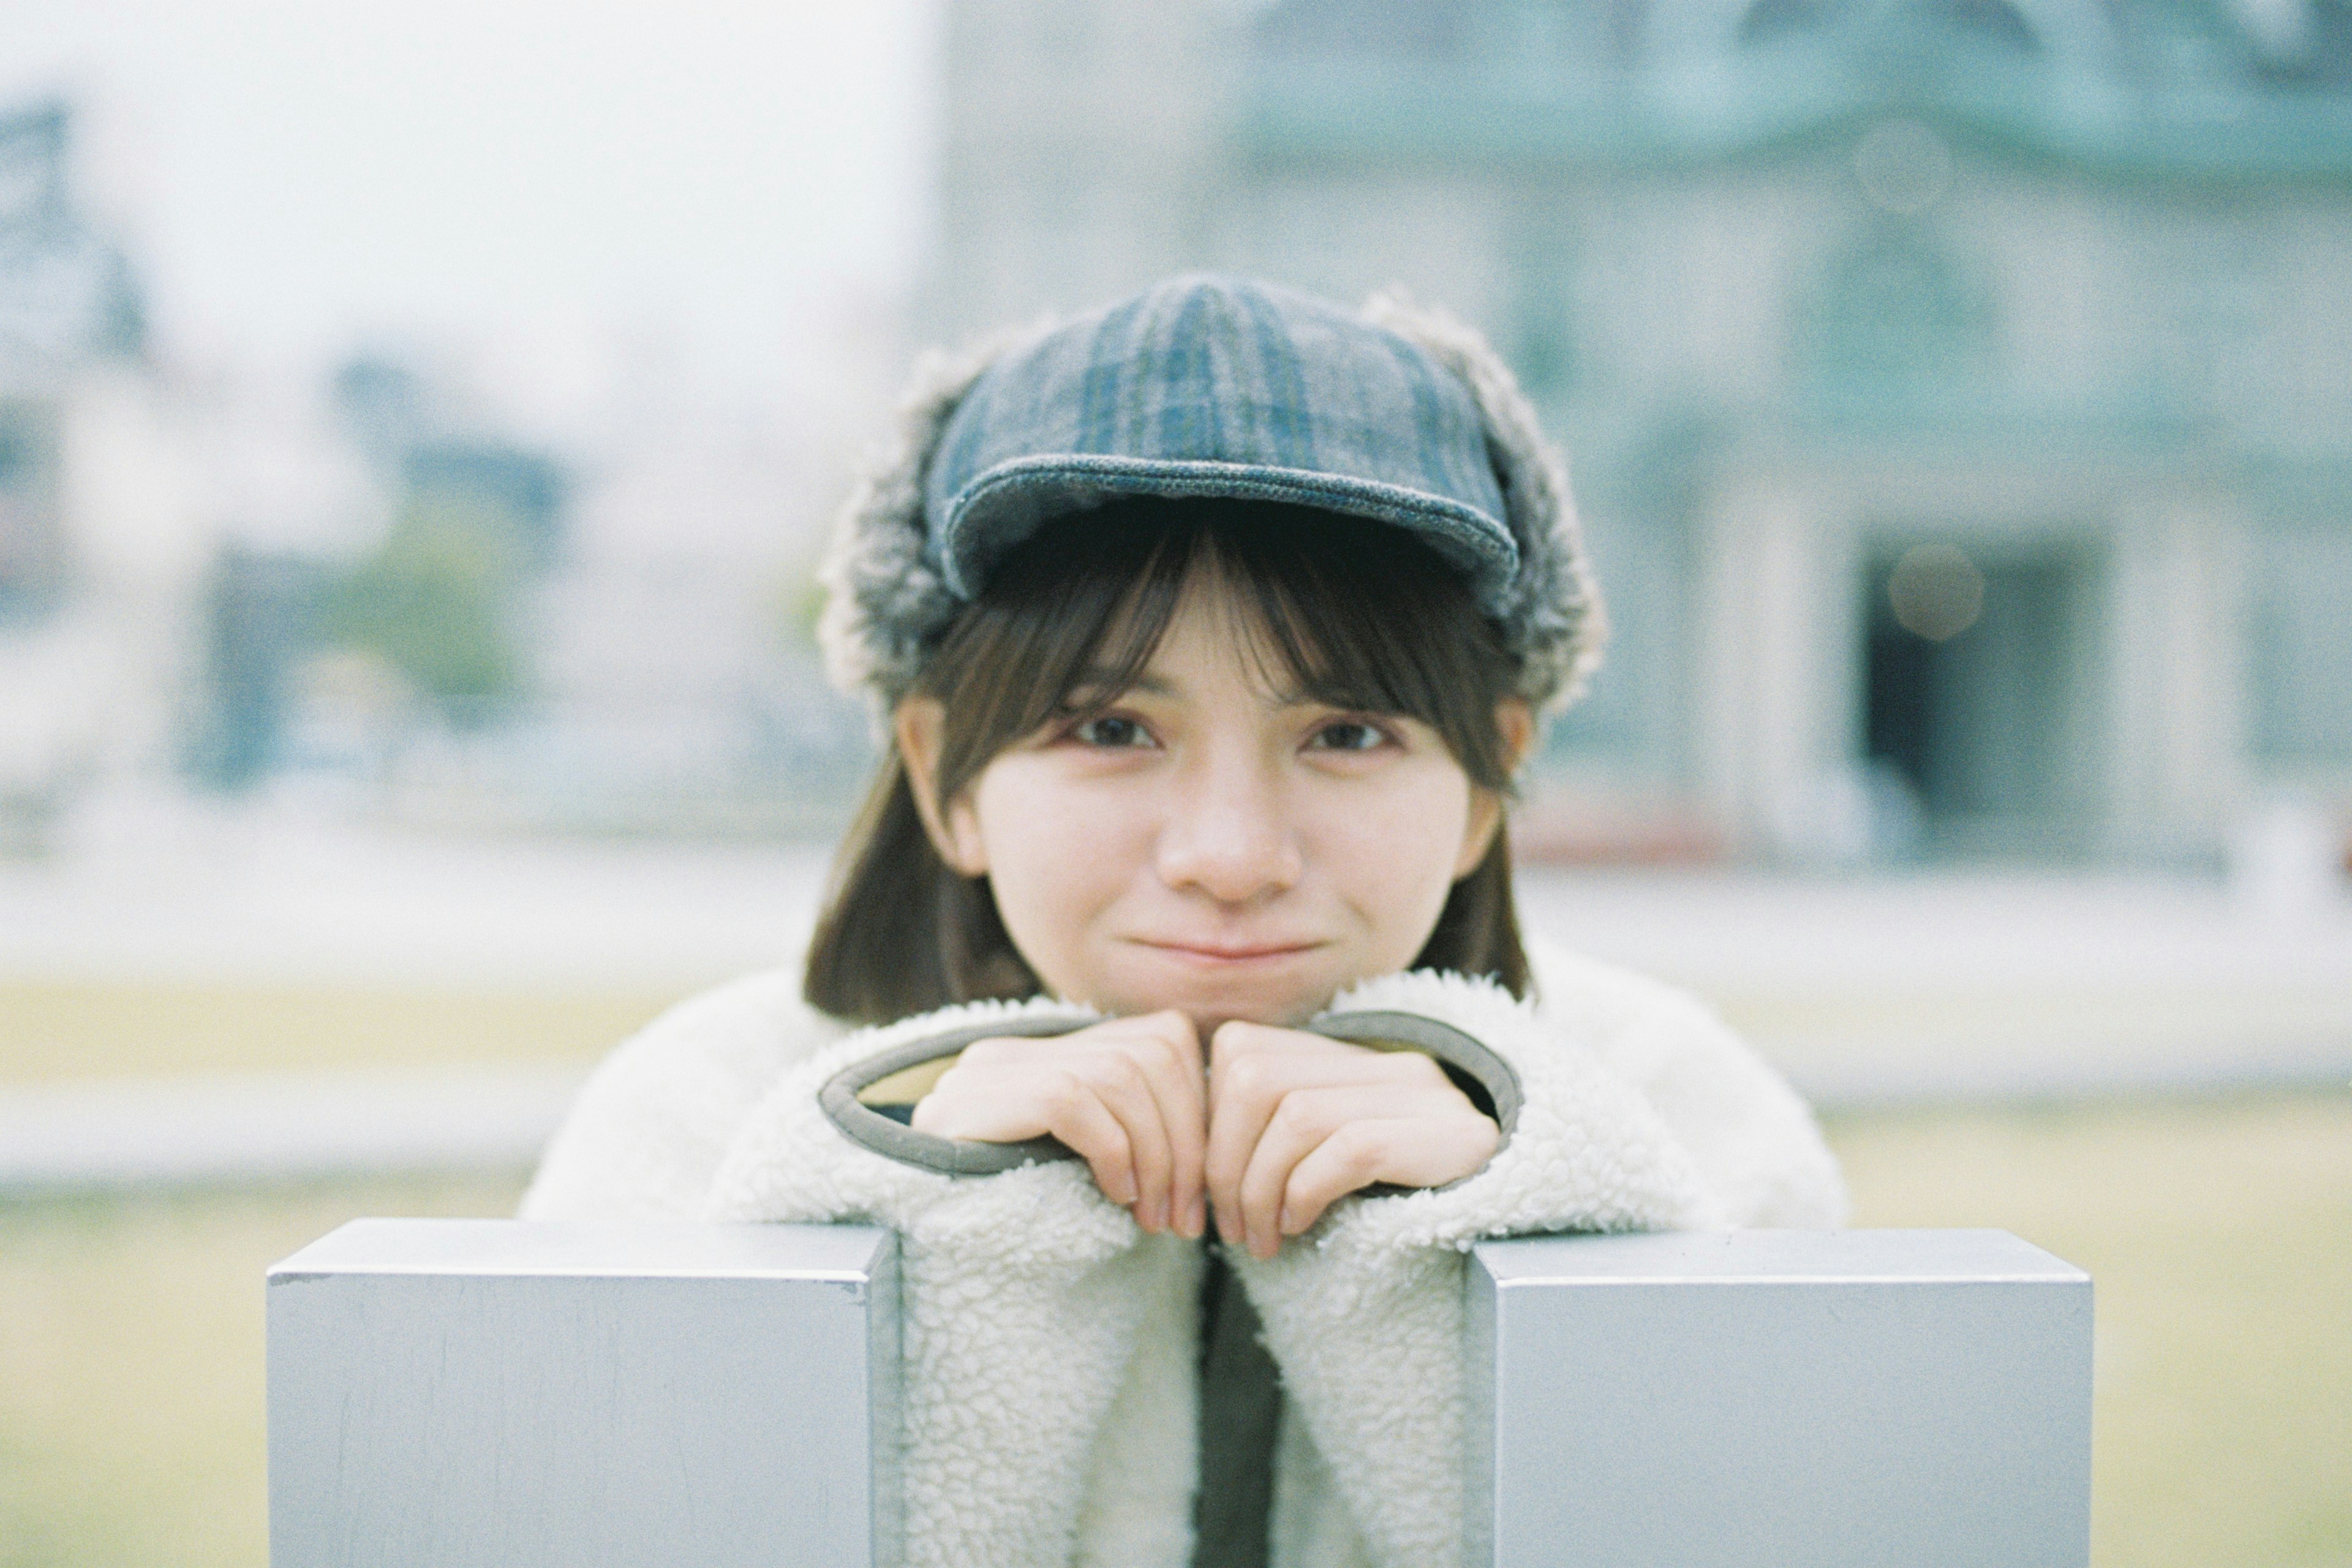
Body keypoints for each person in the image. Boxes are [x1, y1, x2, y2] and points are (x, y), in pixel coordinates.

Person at [521, 274, 1847, 1568]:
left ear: (1492, 775)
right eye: (1110, 727)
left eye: (1346, 730)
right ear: (942, 774)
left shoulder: (1683, 1115)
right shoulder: (698, 1121)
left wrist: (1524, 1242)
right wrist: (937, 1210)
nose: (1228, 854)